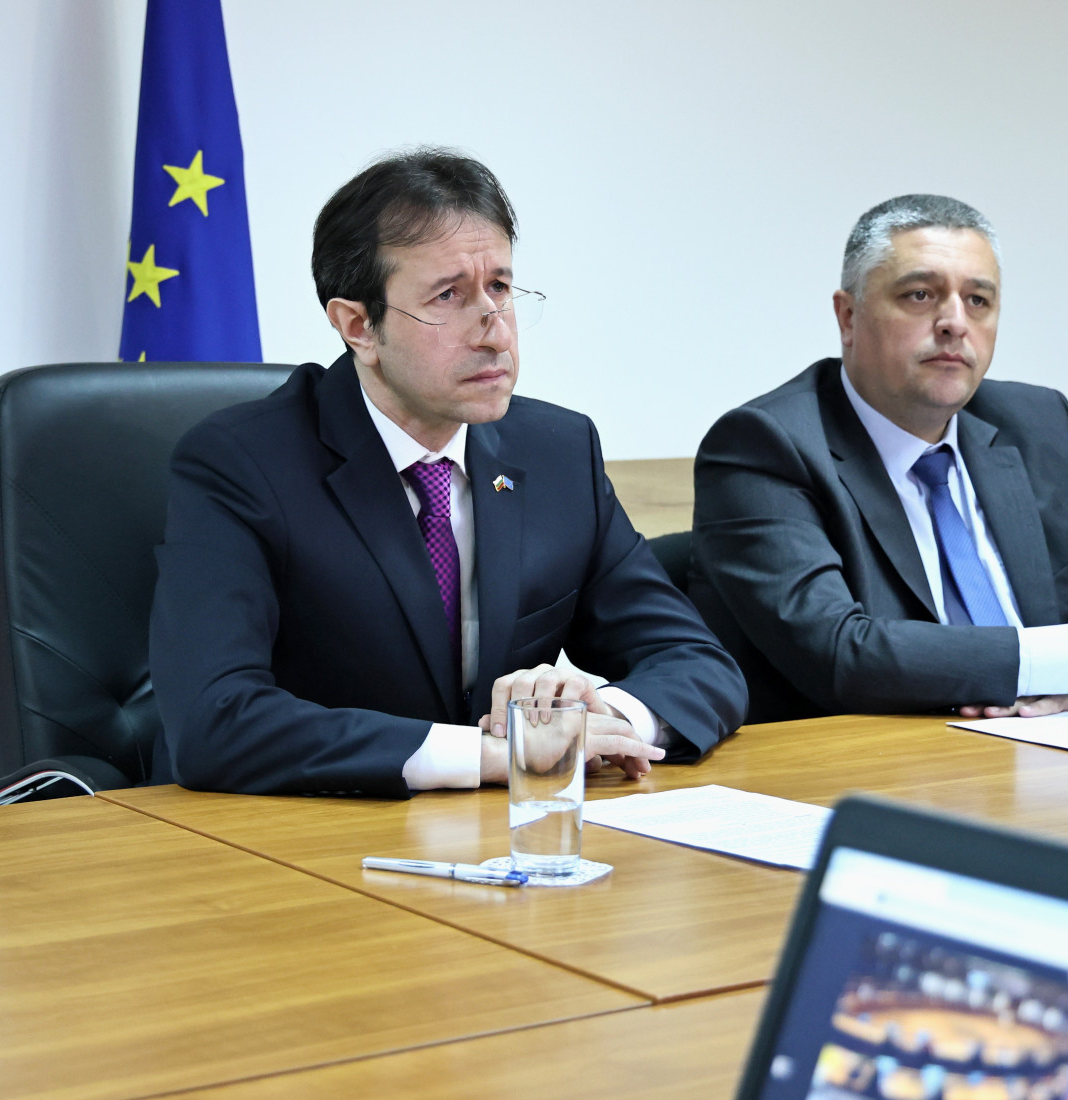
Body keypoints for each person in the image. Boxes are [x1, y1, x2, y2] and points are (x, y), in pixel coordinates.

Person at [151, 149, 746, 796]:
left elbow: (696, 661)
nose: (495, 332)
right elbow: (215, 720)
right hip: (293, 830)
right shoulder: (242, 464)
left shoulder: (557, 451)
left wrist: (605, 722)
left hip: (496, 838)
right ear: (359, 327)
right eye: (448, 296)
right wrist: (494, 755)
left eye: (500, 288)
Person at [689, 194, 1068, 722]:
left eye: (978, 300)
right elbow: (839, 653)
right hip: (875, 764)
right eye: (920, 295)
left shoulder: (1036, 426)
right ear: (848, 317)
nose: (954, 322)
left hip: (1051, 756)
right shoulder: (764, 444)